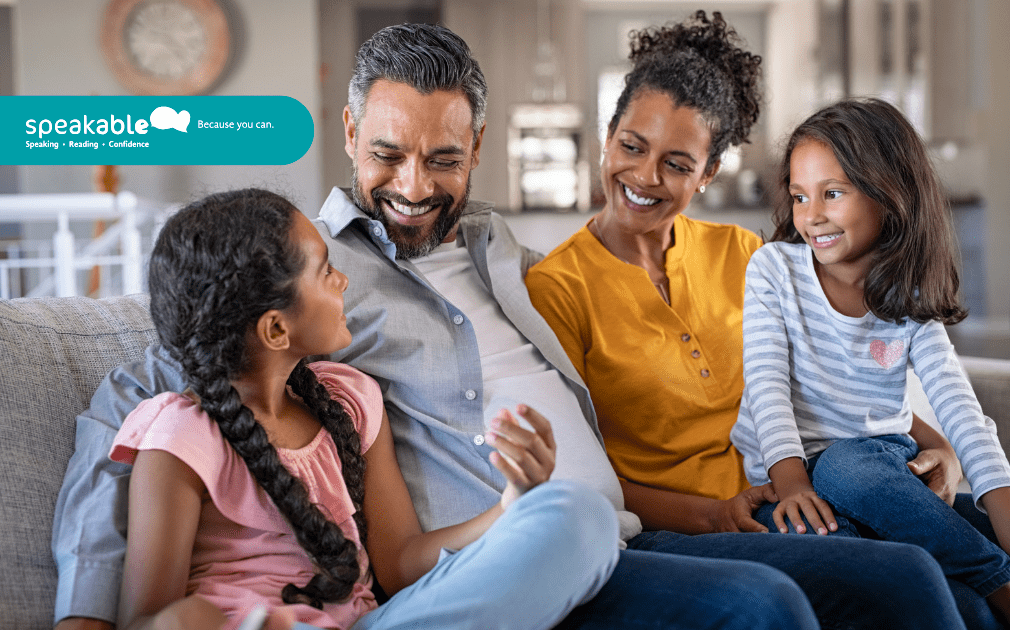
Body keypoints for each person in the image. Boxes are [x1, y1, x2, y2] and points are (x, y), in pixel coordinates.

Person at [53, 21, 959, 630]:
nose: (414, 187)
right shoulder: (300, 278)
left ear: (478, 149)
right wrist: (89, 613)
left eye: (444, 158)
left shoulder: (503, 250)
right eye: (387, 153)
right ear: (349, 130)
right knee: (763, 608)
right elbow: (140, 391)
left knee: (905, 578)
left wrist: (918, 429)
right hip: (505, 555)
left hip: (626, 532)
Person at [525, 11, 998, 630]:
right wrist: (714, 515)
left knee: (972, 591)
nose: (644, 176)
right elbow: (578, 476)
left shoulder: (744, 254)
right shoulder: (556, 289)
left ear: (709, 172)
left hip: (807, 491)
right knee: (909, 579)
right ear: (607, 137)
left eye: (678, 163)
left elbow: (832, 379)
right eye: (632, 147)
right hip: (690, 529)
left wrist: (943, 448)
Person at [109, 188, 619, 630]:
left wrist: (511, 505)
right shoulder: (181, 438)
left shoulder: (350, 401)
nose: (344, 281)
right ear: (276, 329)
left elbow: (399, 565)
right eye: (326, 272)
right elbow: (144, 619)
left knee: (581, 515)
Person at [728, 97, 1010, 622]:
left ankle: (995, 579)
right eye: (799, 196)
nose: (811, 216)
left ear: (890, 194)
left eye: (832, 193)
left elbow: (961, 409)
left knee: (848, 467)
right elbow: (766, 387)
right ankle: (996, 581)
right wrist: (792, 484)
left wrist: (1000, 500)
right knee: (893, 564)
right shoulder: (774, 270)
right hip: (792, 480)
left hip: (876, 469)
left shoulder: (909, 297)